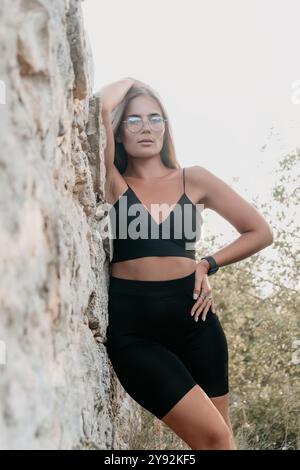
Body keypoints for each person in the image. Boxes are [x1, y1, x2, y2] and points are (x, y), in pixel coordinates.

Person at [100, 78, 273, 450]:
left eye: (155, 118)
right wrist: (132, 81)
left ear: (166, 127)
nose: (146, 127)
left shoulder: (194, 179)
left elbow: (259, 231)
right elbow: (98, 108)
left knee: (222, 441)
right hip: (134, 331)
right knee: (213, 438)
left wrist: (207, 264)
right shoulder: (113, 180)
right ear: (119, 133)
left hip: (195, 321)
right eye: (133, 120)